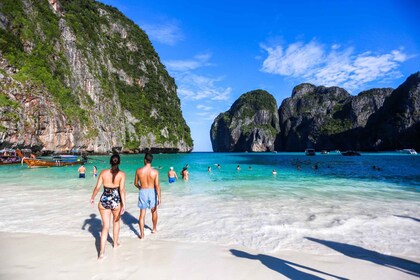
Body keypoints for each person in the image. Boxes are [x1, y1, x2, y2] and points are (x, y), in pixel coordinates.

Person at [90, 154, 126, 260]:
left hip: (104, 200)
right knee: (116, 223)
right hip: (115, 201)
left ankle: (101, 253)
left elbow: (97, 187)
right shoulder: (122, 175)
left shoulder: (103, 173)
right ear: (119, 163)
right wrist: (124, 204)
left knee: (105, 227)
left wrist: (92, 197)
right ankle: (115, 244)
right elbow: (122, 190)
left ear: (110, 162)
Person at [134, 152, 161, 239]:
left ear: (145, 160)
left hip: (143, 191)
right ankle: (154, 229)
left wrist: (140, 188)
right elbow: (157, 185)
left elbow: (135, 183)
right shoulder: (155, 172)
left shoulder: (139, 171)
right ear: (151, 161)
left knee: (142, 214)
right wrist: (159, 197)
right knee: (154, 211)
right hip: (152, 191)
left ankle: (142, 235)